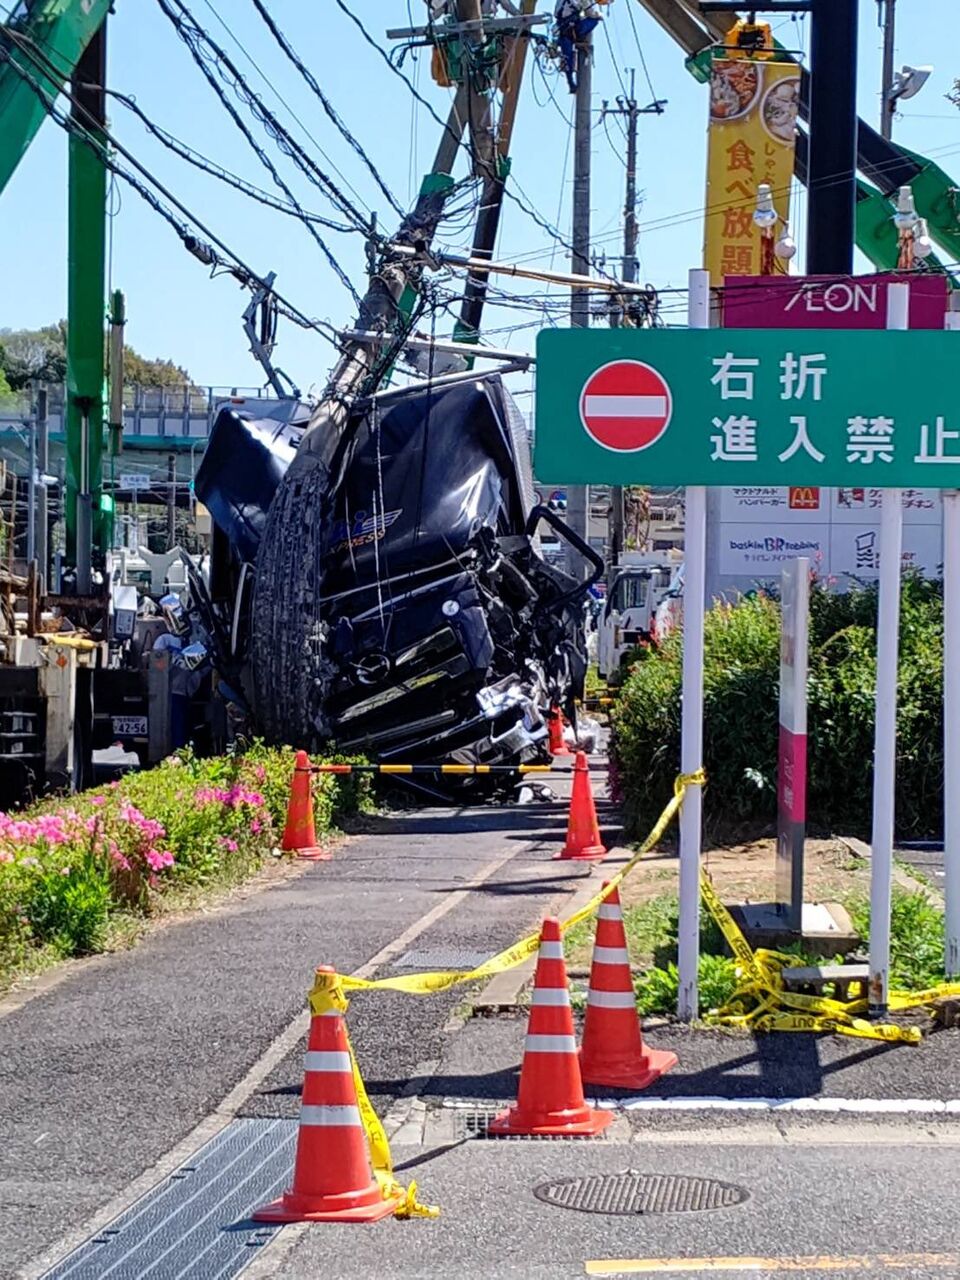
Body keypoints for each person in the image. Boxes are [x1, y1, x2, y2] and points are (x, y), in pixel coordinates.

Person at [555, 0, 605, 94]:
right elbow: (591, 13)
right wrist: (599, 15)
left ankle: (570, 83)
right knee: (595, 21)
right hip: (573, 28)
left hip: (561, 29)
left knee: (567, 57)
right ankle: (580, 36)